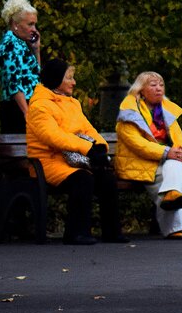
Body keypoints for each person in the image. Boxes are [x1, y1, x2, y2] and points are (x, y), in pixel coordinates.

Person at [26, 59, 125, 245]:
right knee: (83, 179)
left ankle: (112, 232)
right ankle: (75, 233)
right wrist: (88, 148)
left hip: (73, 159)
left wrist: (101, 146)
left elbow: (88, 129)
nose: (74, 82)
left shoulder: (73, 103)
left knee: (106, 177)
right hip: (47, 162)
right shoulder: (39, 105)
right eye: (69, 78)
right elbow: (52, 136)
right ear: (56, 79)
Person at [113, 72, 182, 239]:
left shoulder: (166, 110)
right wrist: (167, 152)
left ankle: (172, 197)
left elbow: (179, 136)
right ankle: (173, 224)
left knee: (176, 164)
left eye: (161, 85)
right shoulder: (129, 112)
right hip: (137, 161)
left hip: (163, 158)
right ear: (141, 90)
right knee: (164, 177)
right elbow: (137, 144)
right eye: (153, 85)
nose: (158, 88)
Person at [0, 0, 41, 133]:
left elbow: (37, 75)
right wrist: (27, 114)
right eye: (30, 24)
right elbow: (14, 84)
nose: (34, 29)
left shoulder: (21, 44)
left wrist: (36, 50)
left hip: (29, 106)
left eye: (35, 24)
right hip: (17, 109)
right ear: (15, 24)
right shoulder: (10, 45)